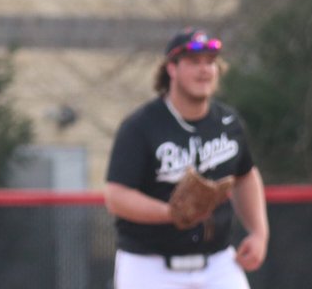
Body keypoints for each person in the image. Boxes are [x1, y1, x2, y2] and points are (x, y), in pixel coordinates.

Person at [104, 28, 270, 289]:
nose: (205, 70)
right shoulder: (141, 126)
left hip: (217, 262)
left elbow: (246, 175)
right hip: (149, 265)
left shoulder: (227, 122)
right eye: (194, 62)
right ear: (171, 68)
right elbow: (116, 197)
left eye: (210, 62)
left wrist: (259, 233)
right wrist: (171, 213)